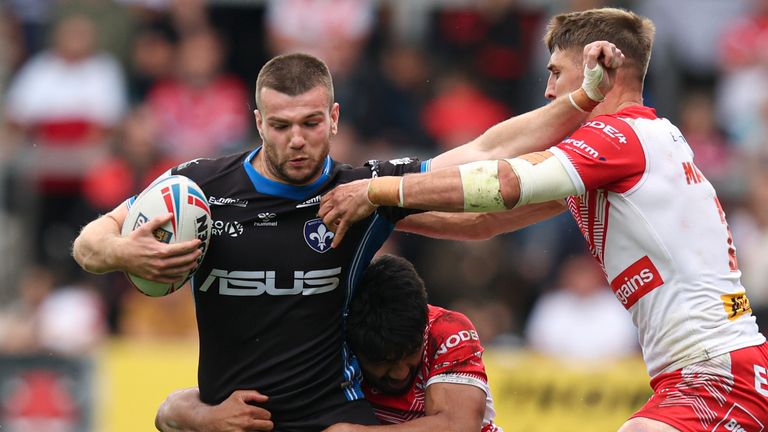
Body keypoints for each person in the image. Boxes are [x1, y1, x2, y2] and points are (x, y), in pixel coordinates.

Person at [72, 46, 622, 430]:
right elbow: (90, 243)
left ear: (334, 118)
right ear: (257, 121)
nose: (296, 141)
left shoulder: (361, 191)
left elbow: (481, 152)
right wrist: (124, 250)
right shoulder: (201, 187)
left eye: (311, 123)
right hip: (230, 424)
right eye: (280, 125)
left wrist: (581, 100)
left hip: (337, 424)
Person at [320, 8, 768, 432]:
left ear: (597, 64)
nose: (550, 91)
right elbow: (486, 222)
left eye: (556, 72)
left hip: (716, 369)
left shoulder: (620, 137)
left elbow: (505, 182)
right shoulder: (635, 146)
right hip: (707, 369)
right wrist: (379, 218)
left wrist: (378, 190)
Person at [155, 254, 503, 432]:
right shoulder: (324, 343)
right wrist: (210, 417)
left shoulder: (447, 329)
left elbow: (458, 427)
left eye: (408, 355)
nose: (399, 372)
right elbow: (168, 411)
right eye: (382, 361)